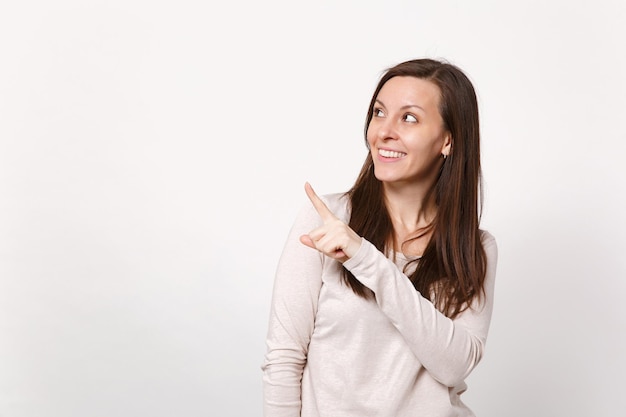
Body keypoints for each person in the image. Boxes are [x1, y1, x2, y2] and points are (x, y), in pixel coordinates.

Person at [261, 58, 498, 417]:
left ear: (447, 140)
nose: (384, 131)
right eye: (379, 112)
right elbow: (284, 357)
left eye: (409, 117)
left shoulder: (475, 248)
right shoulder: (327, 219)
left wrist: (364, 258)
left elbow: (454, 364)